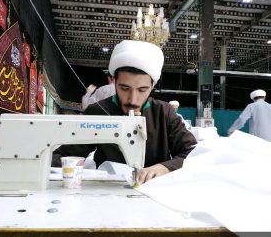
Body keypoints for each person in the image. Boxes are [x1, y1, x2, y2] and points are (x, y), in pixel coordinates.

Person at [52, 40, 197, 184]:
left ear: (152, 86)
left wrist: (164, 168)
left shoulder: (164, 113)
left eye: (142, 90)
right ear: (113, 81)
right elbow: (66, 155)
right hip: (108, 190)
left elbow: (193, 152)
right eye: (124, 88)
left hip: (154, 188)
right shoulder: (98, 112)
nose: (133, 100)